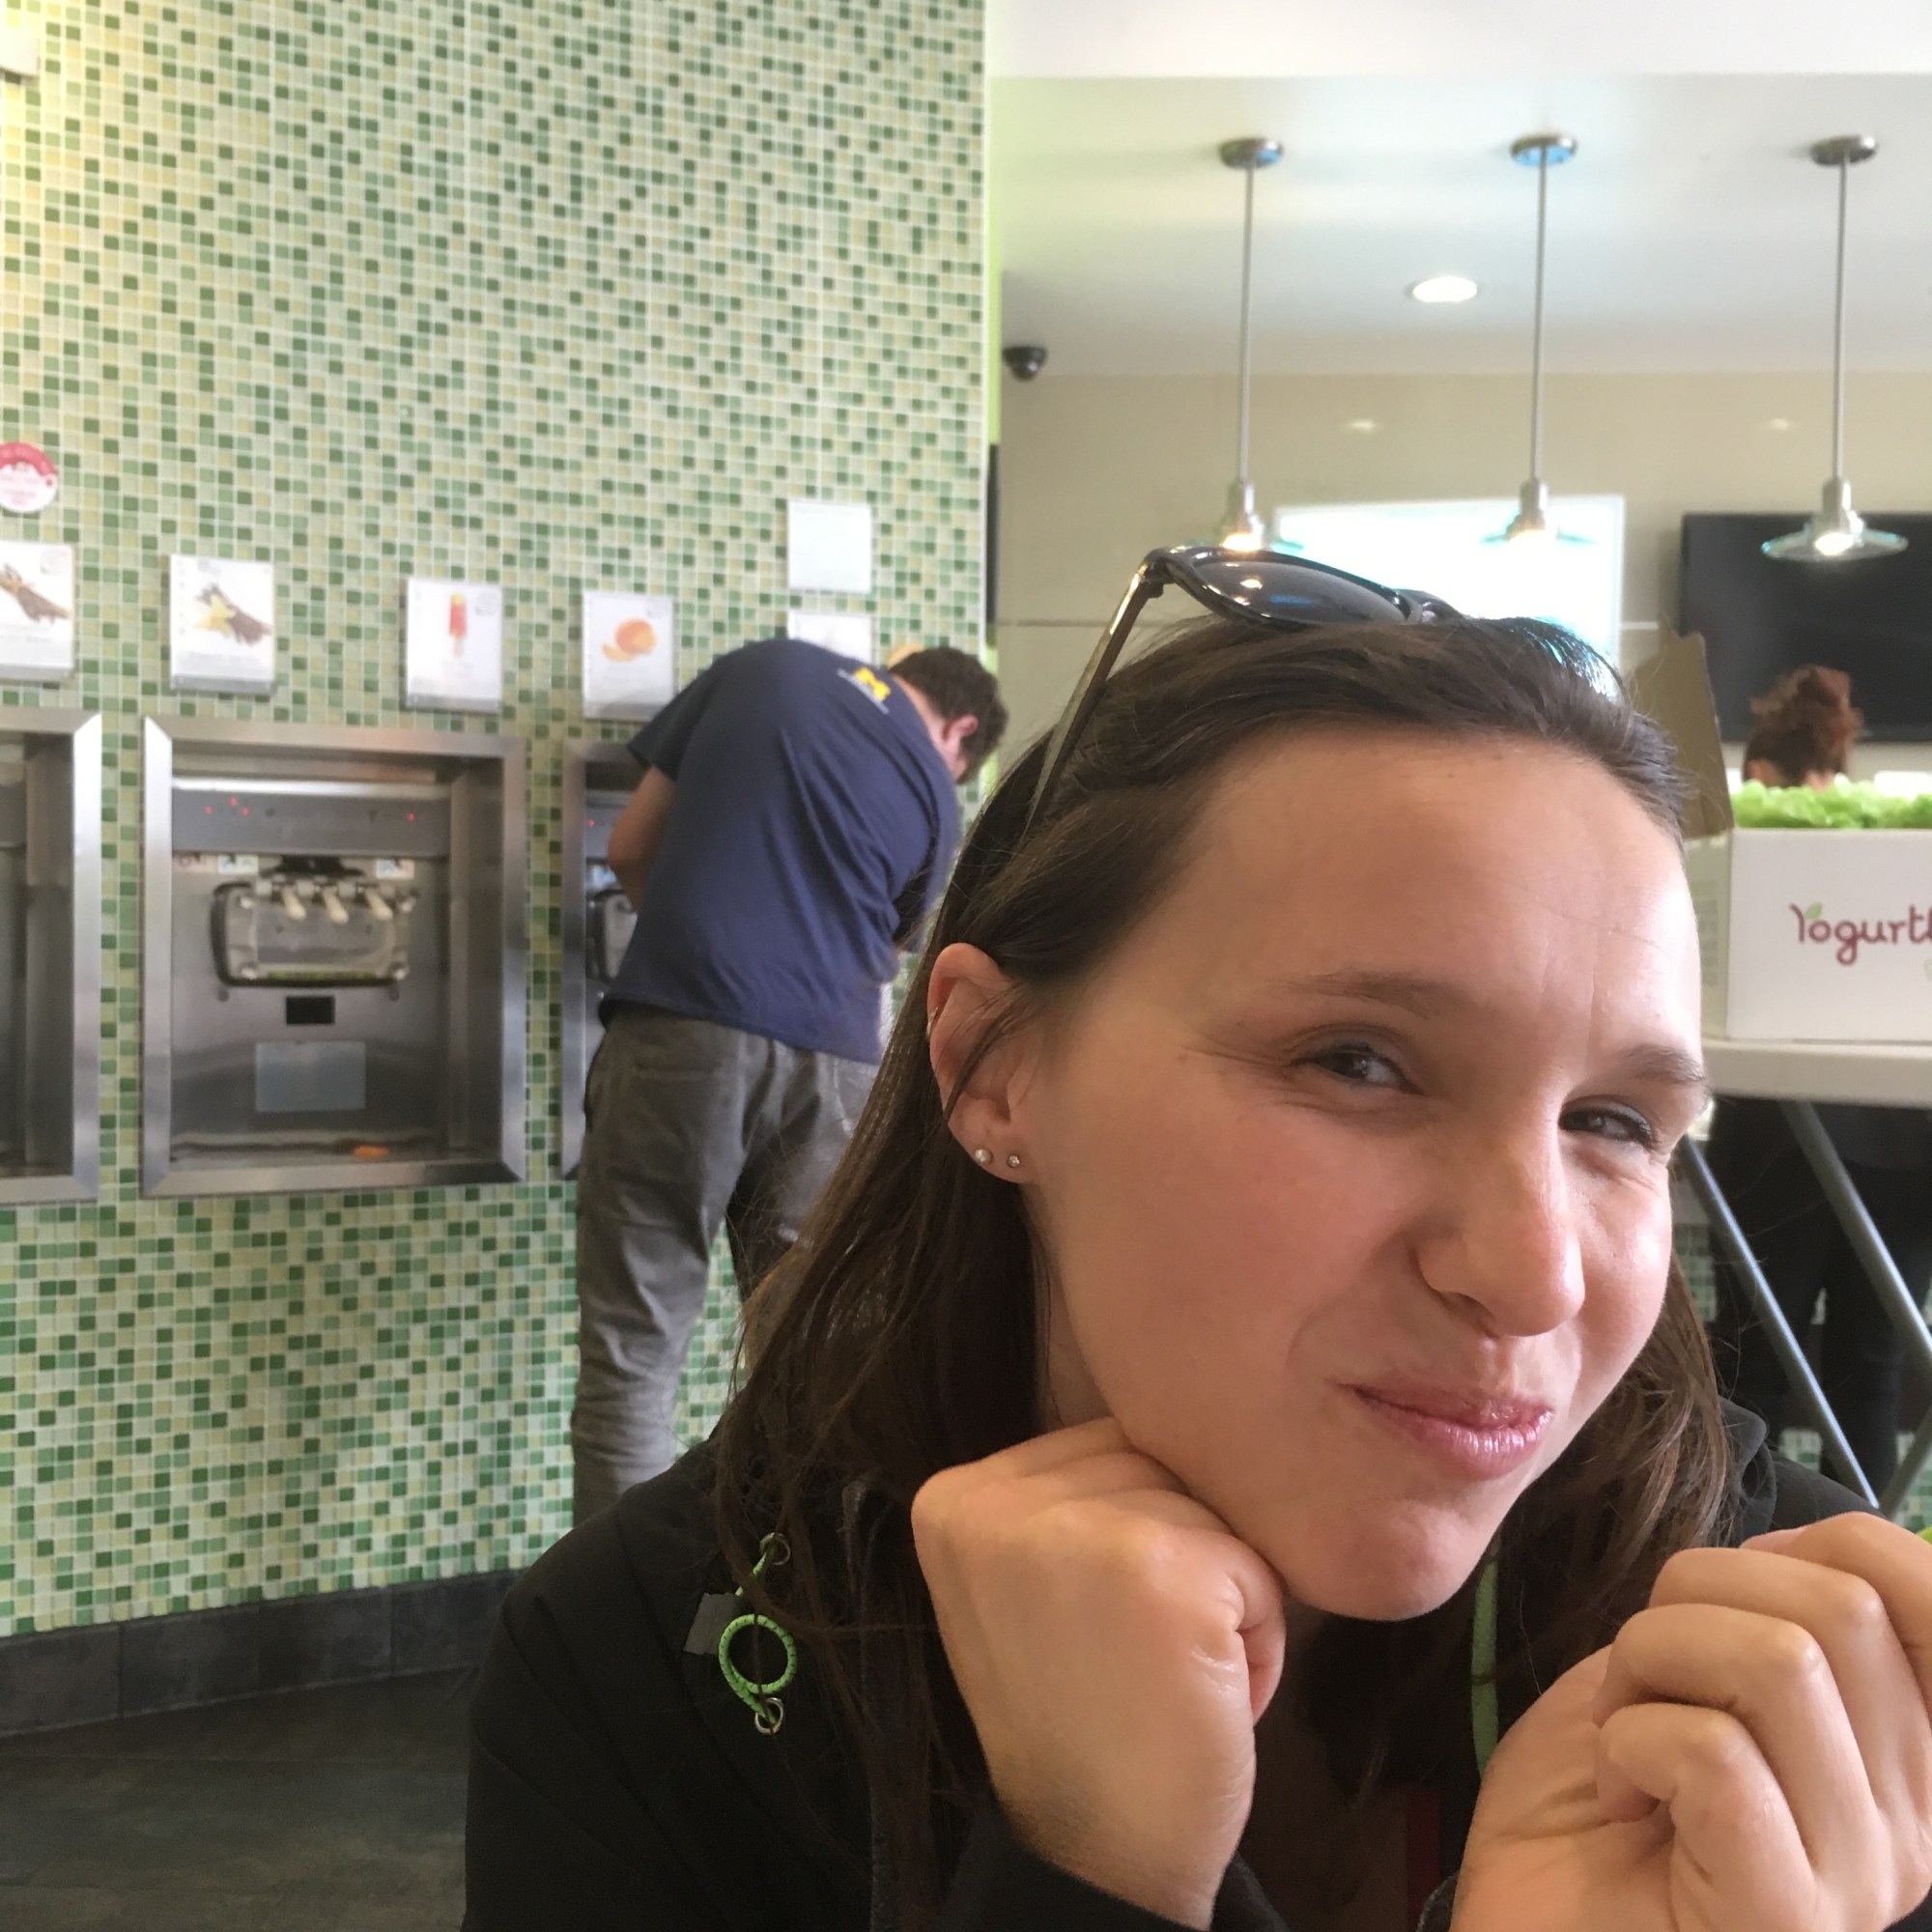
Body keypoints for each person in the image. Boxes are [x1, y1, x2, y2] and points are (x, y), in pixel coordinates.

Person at [471, 556, 1932, 1932]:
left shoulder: (1799, 1690)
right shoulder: (650, 1677)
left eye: (1613, 1120)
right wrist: (1085, 1876)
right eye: (1359, 1062)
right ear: (992, 1065)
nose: (1533, 1274)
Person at [572, 636, 1007, 1522]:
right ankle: (791, 1591)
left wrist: (705, 941)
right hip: (836, 1068)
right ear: (960, 732)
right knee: (808, 1359)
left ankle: (609, 1602)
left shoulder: (763, 668)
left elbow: (628, 846)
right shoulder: (936, 794)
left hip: (683, 1030)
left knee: (634, 1351)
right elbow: (892, 958)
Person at [1706, 664, 1932, 1494]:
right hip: (1904, 1150)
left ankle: (1731, 1533)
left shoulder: (1760, 861)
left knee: (1753, 1362)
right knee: (1871, 1367)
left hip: (1775, 1143)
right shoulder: (1899, 855)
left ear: (1763, 775)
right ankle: (1859, 1546)